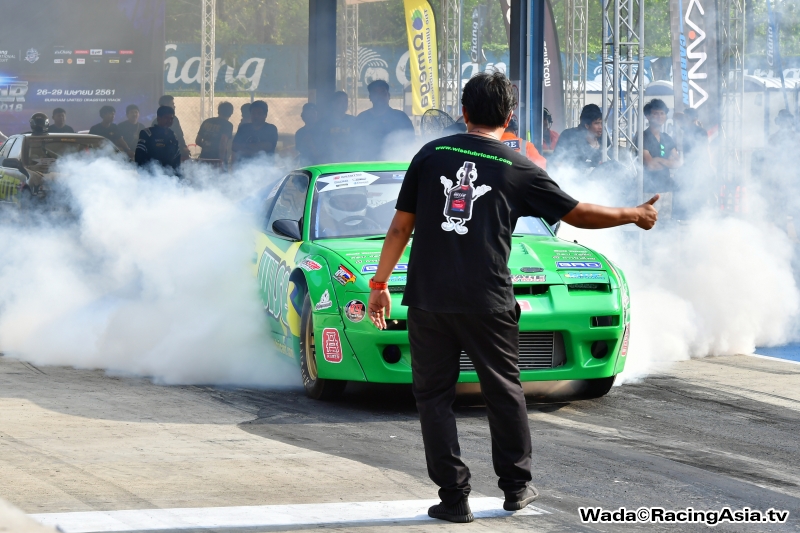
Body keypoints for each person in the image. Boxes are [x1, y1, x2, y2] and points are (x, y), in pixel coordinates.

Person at [365, 72, 659, 524]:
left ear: (463, 111)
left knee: (434, 398)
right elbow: (577, 214)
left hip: (429, 299)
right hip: (488, 301)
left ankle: (453, 496)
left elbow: (401, 227)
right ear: (509, 116)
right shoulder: (517, 166)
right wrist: (633, 214)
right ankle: (516, 488)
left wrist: (380, 286)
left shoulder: (430, 155)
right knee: (503, 391)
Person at [354, 80, 415, 160]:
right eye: (376, 93)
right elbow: (354, 144)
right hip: (367, 165)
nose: (379, 96)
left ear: (388, 96)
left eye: (382, 92)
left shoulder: (400, 117)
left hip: (393, 165)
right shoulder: (362, 118)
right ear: (370, 97)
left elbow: (410, 142)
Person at [642, 99, 681, 209]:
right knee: (650, 223)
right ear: (648, 116)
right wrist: (668, 162)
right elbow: (650, 166)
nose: (659, 116)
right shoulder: (642, 137)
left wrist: (659, 160)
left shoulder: (667, 138)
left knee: (666, 222)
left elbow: (678, 162)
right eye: (656, 113)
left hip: (666, 188)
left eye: (662, 113)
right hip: (648, 190)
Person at [550, 104, 603, 170]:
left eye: (601, 123)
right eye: (597, 123)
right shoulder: (568, 135)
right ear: (586, 125)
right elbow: (556, 161)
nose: (600, 127)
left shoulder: (604, 139)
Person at [135, 105, 181, 174]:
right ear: (158, 118)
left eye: (171, 118)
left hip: (170, 177)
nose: (169, 121)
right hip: (150, 175)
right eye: (166, 118)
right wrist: (143, 174)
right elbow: (139, 156)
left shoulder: (173, 135)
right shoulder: (147, 133)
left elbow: (177, 158)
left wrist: (177, 176)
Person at [314, 91, 357, 163]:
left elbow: (358, 141)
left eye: (346, 101)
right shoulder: (323, 123)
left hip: (349, 160)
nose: (344, 104)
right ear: (333, 104)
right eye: (340, 101)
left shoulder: (353, 121)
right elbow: (320, 144)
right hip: (329, 161)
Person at [151, 95, 190, 161]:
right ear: (166, 105)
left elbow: (179, 135)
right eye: (172, 104)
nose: (174, 106)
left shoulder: (175, 119)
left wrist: (184, 147)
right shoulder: (157, 122)